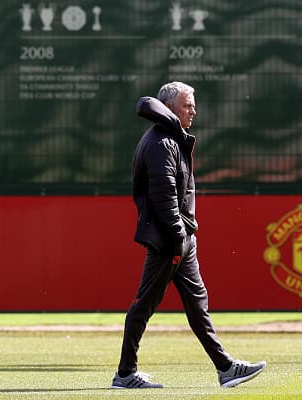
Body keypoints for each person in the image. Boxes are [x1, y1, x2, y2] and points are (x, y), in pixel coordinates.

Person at [111, 82, 266, 389]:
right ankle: (126, 374)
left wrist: (184, 237)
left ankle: (225, 368)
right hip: (170, 240)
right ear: (169, 108)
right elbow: (164, 196)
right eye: (187, 105)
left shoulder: (169, 138)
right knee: (144, 304)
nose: (193, 110)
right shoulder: (161, 143)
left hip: (181, 239)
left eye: (193, 104)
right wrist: (178, 236)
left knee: (197, 304)